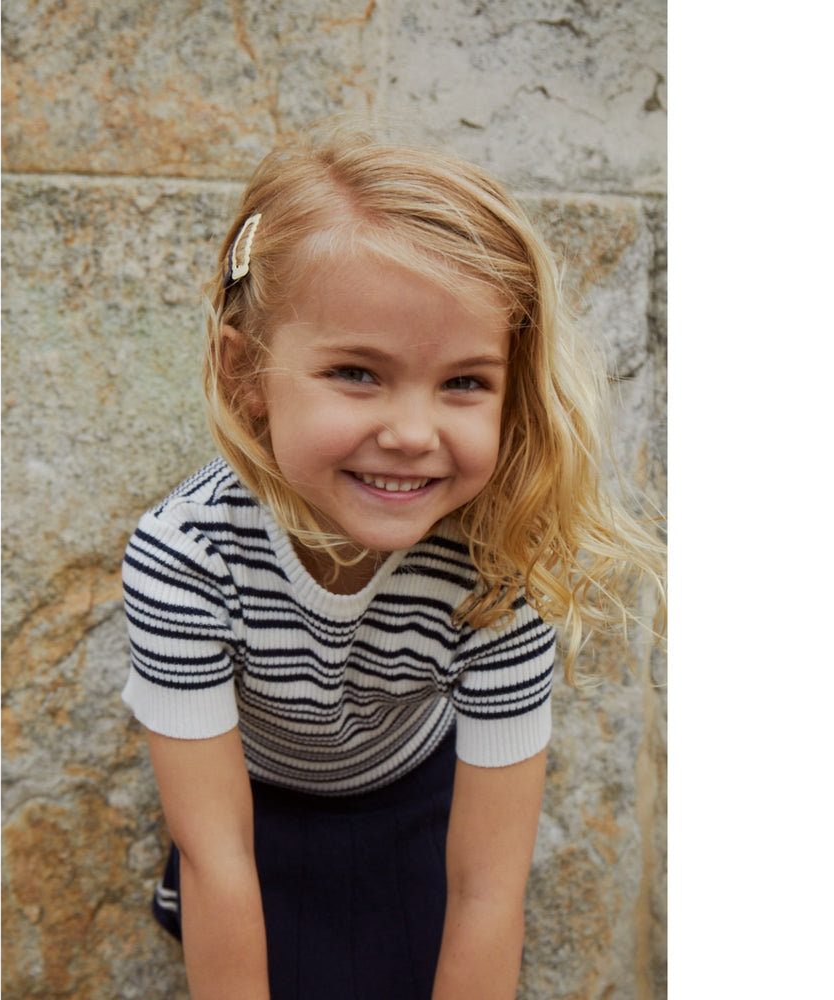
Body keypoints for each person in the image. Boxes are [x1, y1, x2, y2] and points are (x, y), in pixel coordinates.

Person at [122, 121, 664, 1000]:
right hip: (249, 807)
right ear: (245, 375)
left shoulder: (500, 570)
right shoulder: (186, 556)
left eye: (463, 382)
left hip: (415, 800)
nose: (413, 433)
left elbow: (487, 891)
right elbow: (217, 858)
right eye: (357, 372)